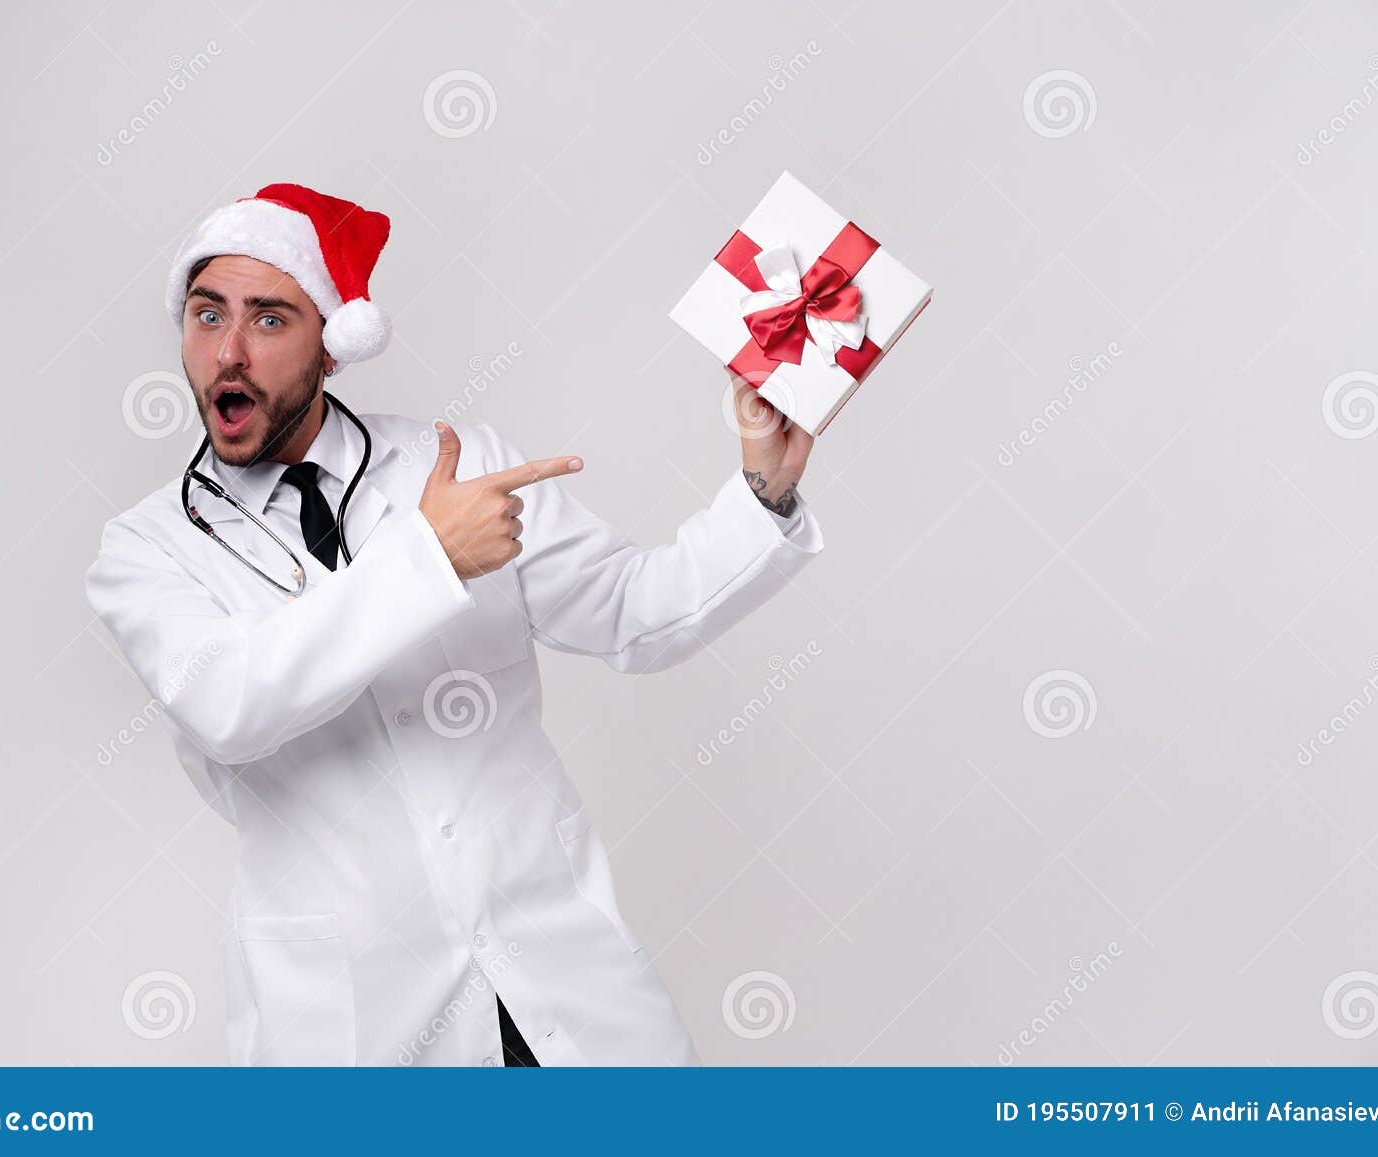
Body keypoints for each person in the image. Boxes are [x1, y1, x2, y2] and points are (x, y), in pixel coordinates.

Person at [84, 182, 825, 1066]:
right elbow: (229, 703)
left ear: (332, 344)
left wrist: (763, 488)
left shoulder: (464, 465)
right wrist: (430, 556)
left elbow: (637, 614)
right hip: (359, 1023)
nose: (230, 353)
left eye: (270, 320)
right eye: (208, 316)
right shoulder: (147, 548)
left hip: (560, 990)